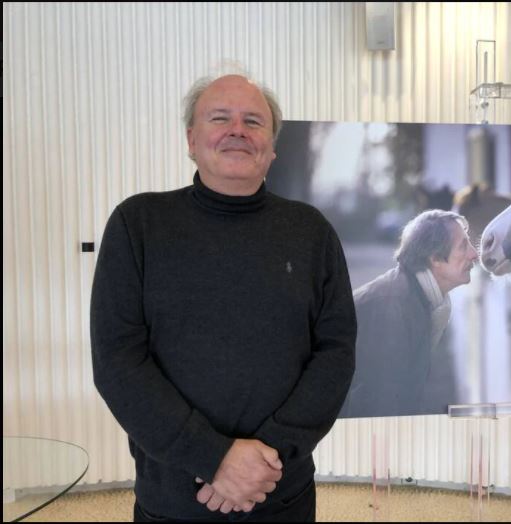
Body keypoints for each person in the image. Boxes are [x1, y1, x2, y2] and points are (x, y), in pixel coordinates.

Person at [90, 72, 356, 522]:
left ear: (271, 148)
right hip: (174, 499)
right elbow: (118, 362)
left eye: (254, 122)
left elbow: (335, 353)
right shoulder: (137, 225)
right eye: (220, 118)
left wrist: (263, 461)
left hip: (282, 492)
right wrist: (213, 457)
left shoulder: (312, 233)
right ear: (191, 139)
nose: (238, 130)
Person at [339, 210, 478, 418]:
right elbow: (382, 408)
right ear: (435, 259)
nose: (474, 254)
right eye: (463, 246)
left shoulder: (417, 293)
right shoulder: (396, 308)